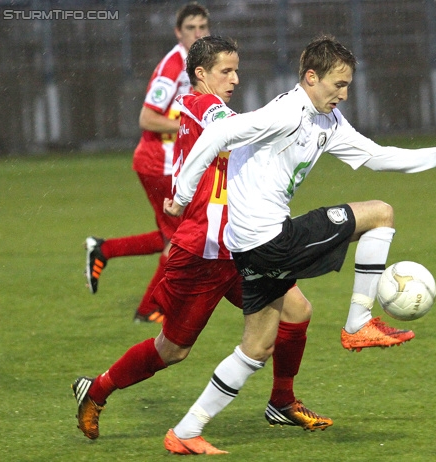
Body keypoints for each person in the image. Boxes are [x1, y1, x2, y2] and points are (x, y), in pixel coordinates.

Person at [164, 35, 436, 453]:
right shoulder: (287, 113)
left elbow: (376, 156)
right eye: (337, 85)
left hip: (247, 247)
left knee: (256, 347)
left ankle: (185, 432)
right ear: (311, 77)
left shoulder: (327, 120)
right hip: (269, 238)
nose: (344, 95)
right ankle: (357, 323)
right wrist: (182, 196)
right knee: (380, 214)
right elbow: (217, 134)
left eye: (348, 86)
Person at [72, 36, 332, 456]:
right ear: (200, 75)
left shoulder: (223, 112)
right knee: (172, 349)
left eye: (236, 70)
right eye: (225, 71)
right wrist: (295, 112)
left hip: (241, 246)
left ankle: (282, 400)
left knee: (297, 310)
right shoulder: (196, 105)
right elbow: (236, 129)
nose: (234, 78)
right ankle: (97, 389)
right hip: (203, 253)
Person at [84, 2, 210, 323]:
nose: (198, 33)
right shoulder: (173, 66)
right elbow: (147, 118)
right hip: (160, 164)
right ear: (178, 33)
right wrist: (191, 125)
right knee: (183, 236)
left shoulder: (194, 63)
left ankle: (105, 250)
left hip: (171, 164)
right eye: (191, 28)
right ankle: (149, 308)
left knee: (172, 233)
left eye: (203, 28)